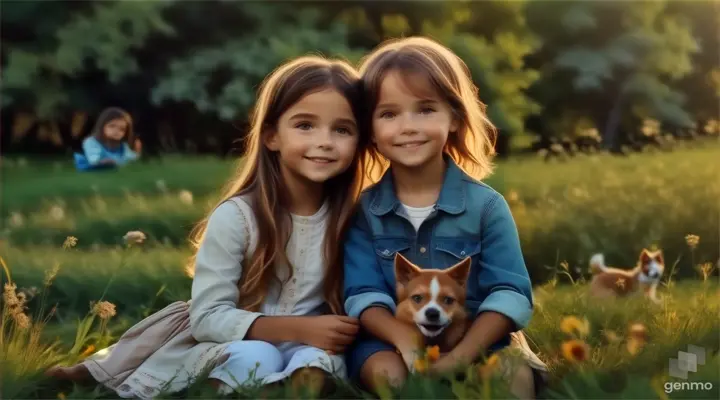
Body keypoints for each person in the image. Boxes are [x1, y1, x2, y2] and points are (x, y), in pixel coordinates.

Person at [47, 55, 371, 399]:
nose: (325, 141)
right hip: (236, 340)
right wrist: (299, 328)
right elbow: (208, 318)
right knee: (258, 356)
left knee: (317, 363)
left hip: (312, 344)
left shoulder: (353, 218)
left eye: (342, 129)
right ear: (272, 136)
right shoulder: (238, 217)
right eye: (305, 125)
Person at [343, 37, 548, 399]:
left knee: (512, 377)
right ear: (371, 131)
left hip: (480, 339)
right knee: (390, 377)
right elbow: (363, 294)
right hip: (390, 342)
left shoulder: (487, 206)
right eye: (389, 114)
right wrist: (403, 338)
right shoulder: (364, 211)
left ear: (454, 117)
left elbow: (510, 293)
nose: (408, 126)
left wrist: (461, 357)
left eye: (425, 110)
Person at [73, 107, 141, 171]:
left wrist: (137, 152)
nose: (116, 131)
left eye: (122, 129)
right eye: (112, 126)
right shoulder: (92, 142)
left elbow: (130, 158)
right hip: (94, 167)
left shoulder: (122, 146)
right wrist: (104, 162)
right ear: (102, 126)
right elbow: (93, 159)